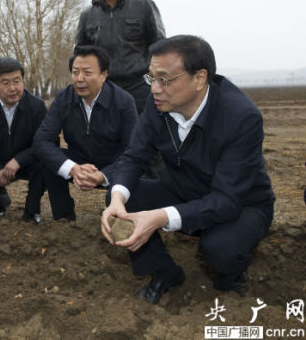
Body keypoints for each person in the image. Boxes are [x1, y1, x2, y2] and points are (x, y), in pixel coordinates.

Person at [101, 35, 275, 304]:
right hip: (183, 190)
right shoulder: (157, 105)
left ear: (199, 78)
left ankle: (230, 275)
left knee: (221, 249)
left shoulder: (241, 117)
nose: (155, 89)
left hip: (241, 203)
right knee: (123, 198)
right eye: (151, 79)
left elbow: (227, 199)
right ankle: (164, 272)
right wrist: (117, 198)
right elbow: (134, 157)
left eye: (164, 79)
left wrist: (160, 217)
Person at [33, 45, 138, 221]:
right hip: (78, 161)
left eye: (87, 73)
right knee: (48, 159)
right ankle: (64, 215)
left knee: (137, 169)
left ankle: (122, 213)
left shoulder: (124, 101)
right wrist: (73, 169)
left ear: (103, 75)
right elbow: (41, 140)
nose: (79, 79)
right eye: (75, 72)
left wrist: (102, 175)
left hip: (112, 163)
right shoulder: (63, 98)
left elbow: (132, 150)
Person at [75, 0, 165, 114]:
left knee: (141, 136)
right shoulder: (88, 15)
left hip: (140, 88)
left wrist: (152, 82)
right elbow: (80, 55)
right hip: (103, 89)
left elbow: (161, 49)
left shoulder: (144, 6)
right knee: (105, 136)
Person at [0, 57, 47, 224]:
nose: (13, 88)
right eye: (6, 83)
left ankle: (32, 210)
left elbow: (43, 142)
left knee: (46, 165)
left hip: (26, 161)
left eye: (17, 81)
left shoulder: (37, 107)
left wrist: (18, 160)